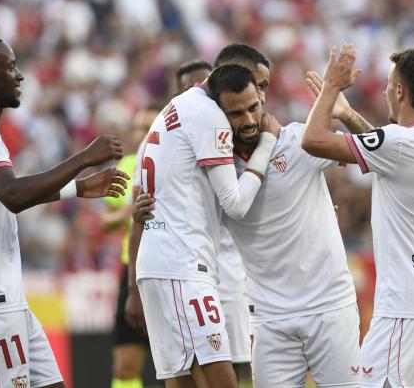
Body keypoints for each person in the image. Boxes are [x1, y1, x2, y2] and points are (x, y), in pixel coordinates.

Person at [133, 63, 375, 387]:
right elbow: (187, 202)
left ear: (262, 96)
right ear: (219, 113)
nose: (248, 120)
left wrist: (346, 115)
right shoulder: (216, 167)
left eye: (254, 107)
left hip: (329, 307)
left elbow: (375, 151)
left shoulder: (297, 140)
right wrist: (146, 211)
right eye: (236, 114)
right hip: (269, 319)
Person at [0, 38, 129, 388]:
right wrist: (83, 158)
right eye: (10, 67)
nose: (19, 76)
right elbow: (14, 195)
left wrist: (77, 188)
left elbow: (8, 194)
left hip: (9, 300)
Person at [302, 44, 414, 388]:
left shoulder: (400, 144)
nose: (386, 90)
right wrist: (347, 116)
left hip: (407, 301)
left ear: (401, 91)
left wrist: (331, 87)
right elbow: (389, 152)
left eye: (390, 84)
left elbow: (312, 139)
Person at [126, 63, 280, 388]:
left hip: (164, 262)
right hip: (183, 265)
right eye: (239, 110)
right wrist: (266, 144)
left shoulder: (174, 112)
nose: (249, 118)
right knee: (223, 376)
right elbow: (236, 205)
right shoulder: (207, 115)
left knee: (182, 379)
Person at [103, 103, 162, 388]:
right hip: (132, 269)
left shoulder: (172, 161)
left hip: (167, 267)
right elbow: (106, 222)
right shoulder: (126, 167)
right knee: (126, 365)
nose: (141, 133)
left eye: (147, 127)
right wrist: (128, 212)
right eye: (138, 127)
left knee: (181, 362)